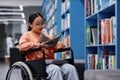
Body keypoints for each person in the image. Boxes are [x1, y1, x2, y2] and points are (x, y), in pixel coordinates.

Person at [18, 12, 79, 80]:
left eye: (42, 23)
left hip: (50, 61)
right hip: (36, 64)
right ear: (30, 24)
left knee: (70, 68)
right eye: (37, 24)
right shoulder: (27, 35)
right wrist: (39, 45)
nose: (41, 26)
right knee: (55, 70)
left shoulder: (45, 35)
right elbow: (21, 46)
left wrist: (53, 45)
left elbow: (61, 44)